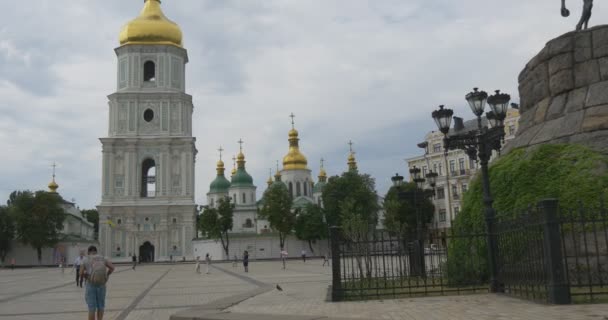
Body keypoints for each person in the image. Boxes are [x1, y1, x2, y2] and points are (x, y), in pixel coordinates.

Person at [80, 245, 114, 320]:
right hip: (102, 285)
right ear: (96, 252)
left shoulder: (86, 259)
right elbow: (112, 267)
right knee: (101, 306)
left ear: (88, 252)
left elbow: (81, 273)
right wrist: (107, 275)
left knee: (92, 308)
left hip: (91, 285)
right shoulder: (103, 258)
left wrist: (87, 277)